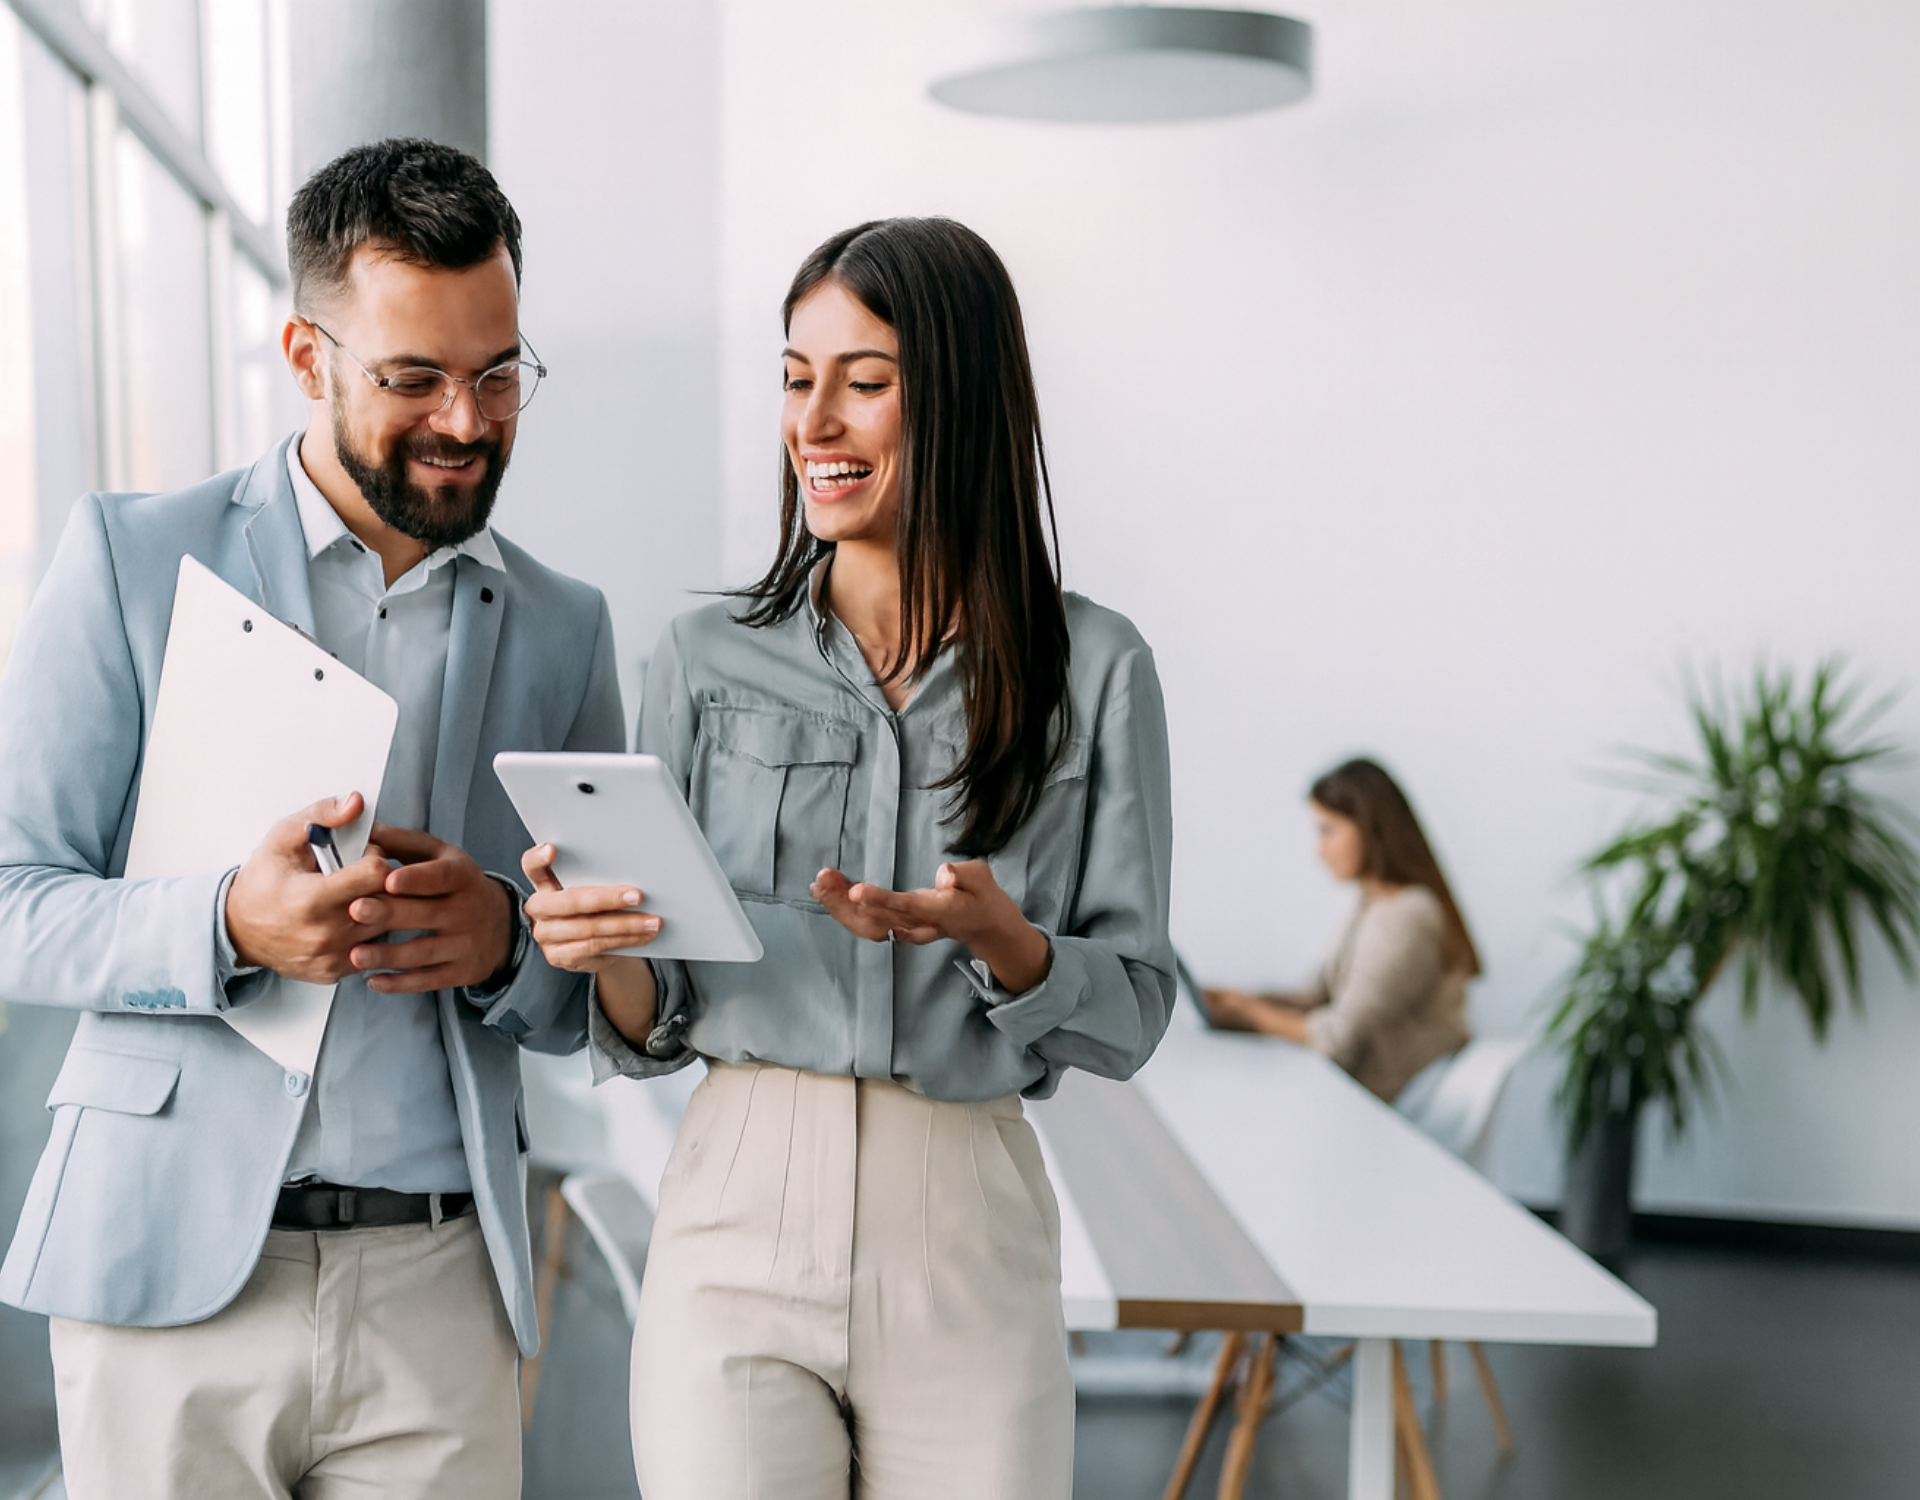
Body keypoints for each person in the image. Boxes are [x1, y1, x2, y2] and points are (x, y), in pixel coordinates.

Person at [0, 139, 623, 1498]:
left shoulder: (567, 628)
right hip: (166, 1274)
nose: (466, 421)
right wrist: (226, 919)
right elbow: (11, 904)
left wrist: (509, 945)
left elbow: (602, 990)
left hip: (442, 1289)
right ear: (305, 354)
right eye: (413, 379)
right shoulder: (129, 558)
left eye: (498, 373)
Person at [520, 217, 1175, 1499]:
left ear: (965, 401)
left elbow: (1136, 1007)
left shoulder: (1097, 672)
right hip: (736, 1204)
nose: (815, 419)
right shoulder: (701, 663)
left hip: (966, 1223)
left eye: (864, 382)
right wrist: (600, 950)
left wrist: (1009, 945)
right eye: (794, 376)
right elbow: (659, 1021)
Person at [1203, 757, 1477, 1102]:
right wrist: (1242, 1001)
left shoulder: (1408, 915)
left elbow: (1338, 1039)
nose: (1320, 850)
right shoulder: (1370, 904)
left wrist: (1250, 1014)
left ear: (1369, 827)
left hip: (1389, 1102)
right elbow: (1321, 997)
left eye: (1328, 830)